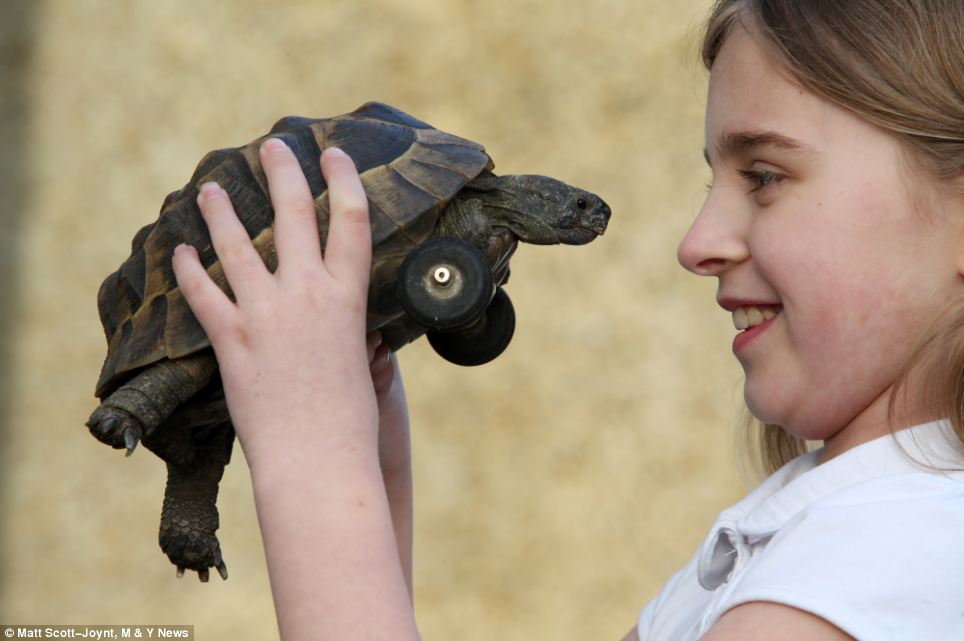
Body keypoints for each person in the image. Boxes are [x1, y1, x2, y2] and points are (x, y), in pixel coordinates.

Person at [170, 0, 964, 638]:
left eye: (763, 175)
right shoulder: (824, 536)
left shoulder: (860, 573)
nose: (696, 244)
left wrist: (309, 455)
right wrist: (363, 451)